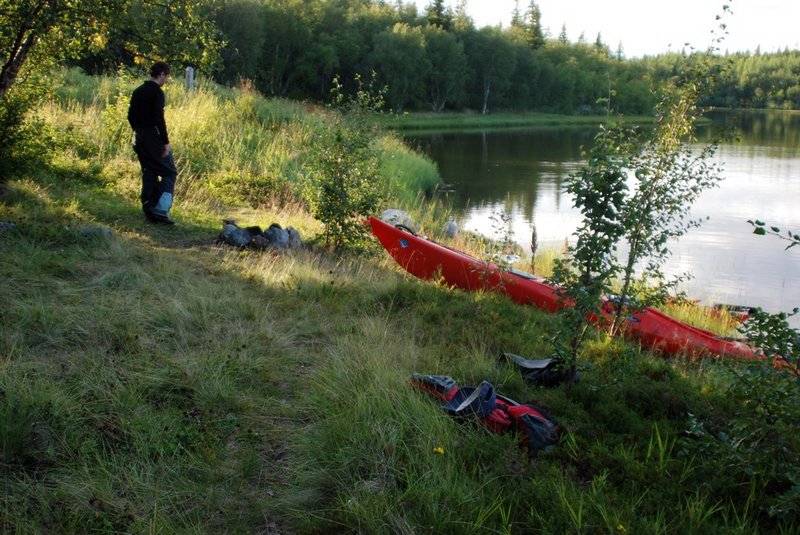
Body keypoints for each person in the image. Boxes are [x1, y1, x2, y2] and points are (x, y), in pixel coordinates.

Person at [127, 61, 177, 224]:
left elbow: (130, 116)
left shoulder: (138, 91)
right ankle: (161, 209)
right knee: (169, 172)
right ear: (161, 74)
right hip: (152, 137)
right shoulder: (157, 93)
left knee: (149, 171)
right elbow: (158, 119)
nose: (167, 79)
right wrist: (165, 142)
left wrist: (137, 130)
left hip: (138, 136)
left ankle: (149, 209)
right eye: (167, 76)